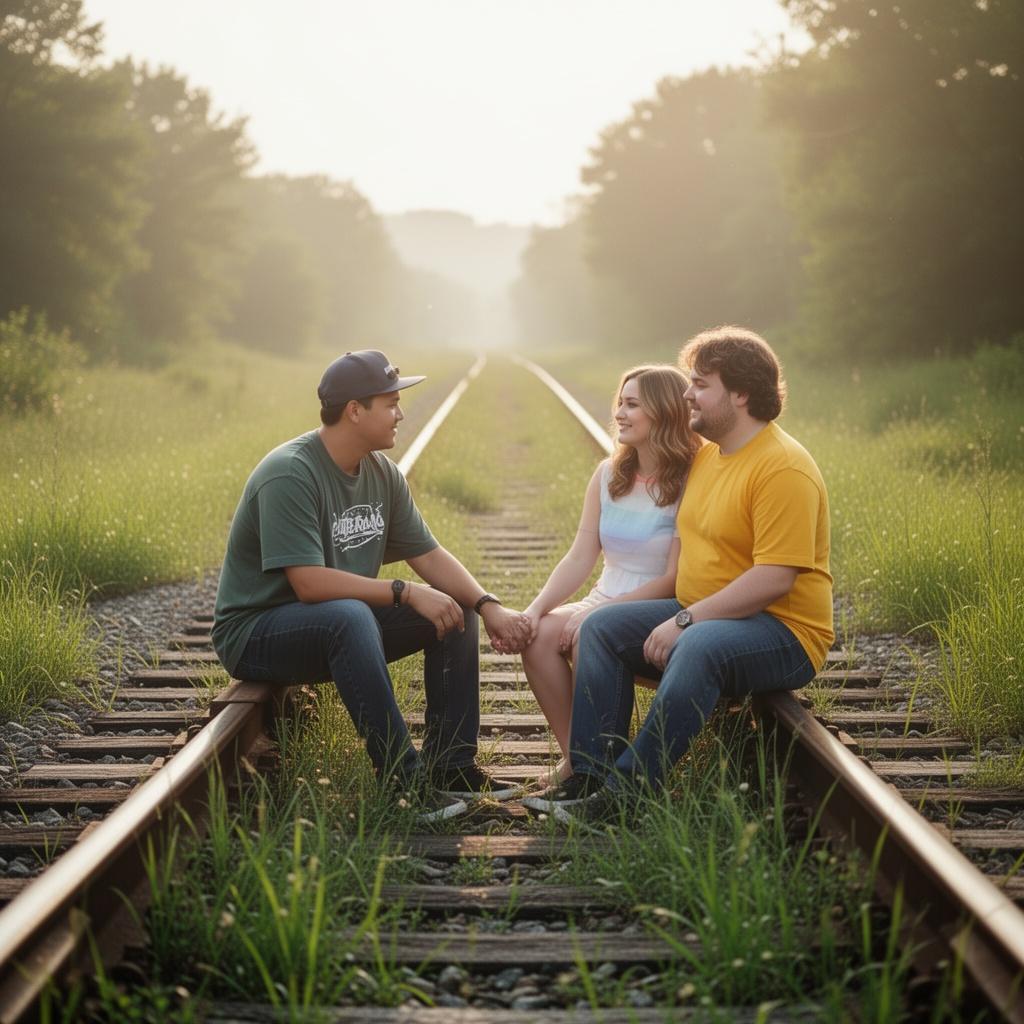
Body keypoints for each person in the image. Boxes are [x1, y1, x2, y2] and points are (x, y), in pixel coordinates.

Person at [528, 326, 834, 823]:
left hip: (781, 630)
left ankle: (627, 794)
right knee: (599, 626)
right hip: (706, 612)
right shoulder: (710, 455)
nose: (686, 393)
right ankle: (589, 775)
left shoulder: (783, 468)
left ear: (740, 394)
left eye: (701, 384)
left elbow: (776, 578)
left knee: (700, 645)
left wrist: (687, 619)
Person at [211, 350, 531, 822]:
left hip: (331, 624)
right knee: (351, 613)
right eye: (390, 403)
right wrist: (403, 591)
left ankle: (451, 767)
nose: (400, 412)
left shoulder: (381, 474)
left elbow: (429, 554)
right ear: (354, 410)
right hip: (257, 630)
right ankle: (406, 787)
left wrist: (485, 605)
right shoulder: (290, 473)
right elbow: (308, 583)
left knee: (453, 612)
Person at [519, 365, 701, 789]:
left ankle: (599, 767)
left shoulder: (690, 481)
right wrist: (535, 609)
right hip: (605, 595)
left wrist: (600, 615)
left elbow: (674, 578)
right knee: (540, 635)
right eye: (620, 401)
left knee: (592, 632)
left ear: (664, 412)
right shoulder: (607, 475)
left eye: (633, 404)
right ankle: (578, 760)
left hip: (655, 609)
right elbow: (581, 557)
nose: (619, 412)